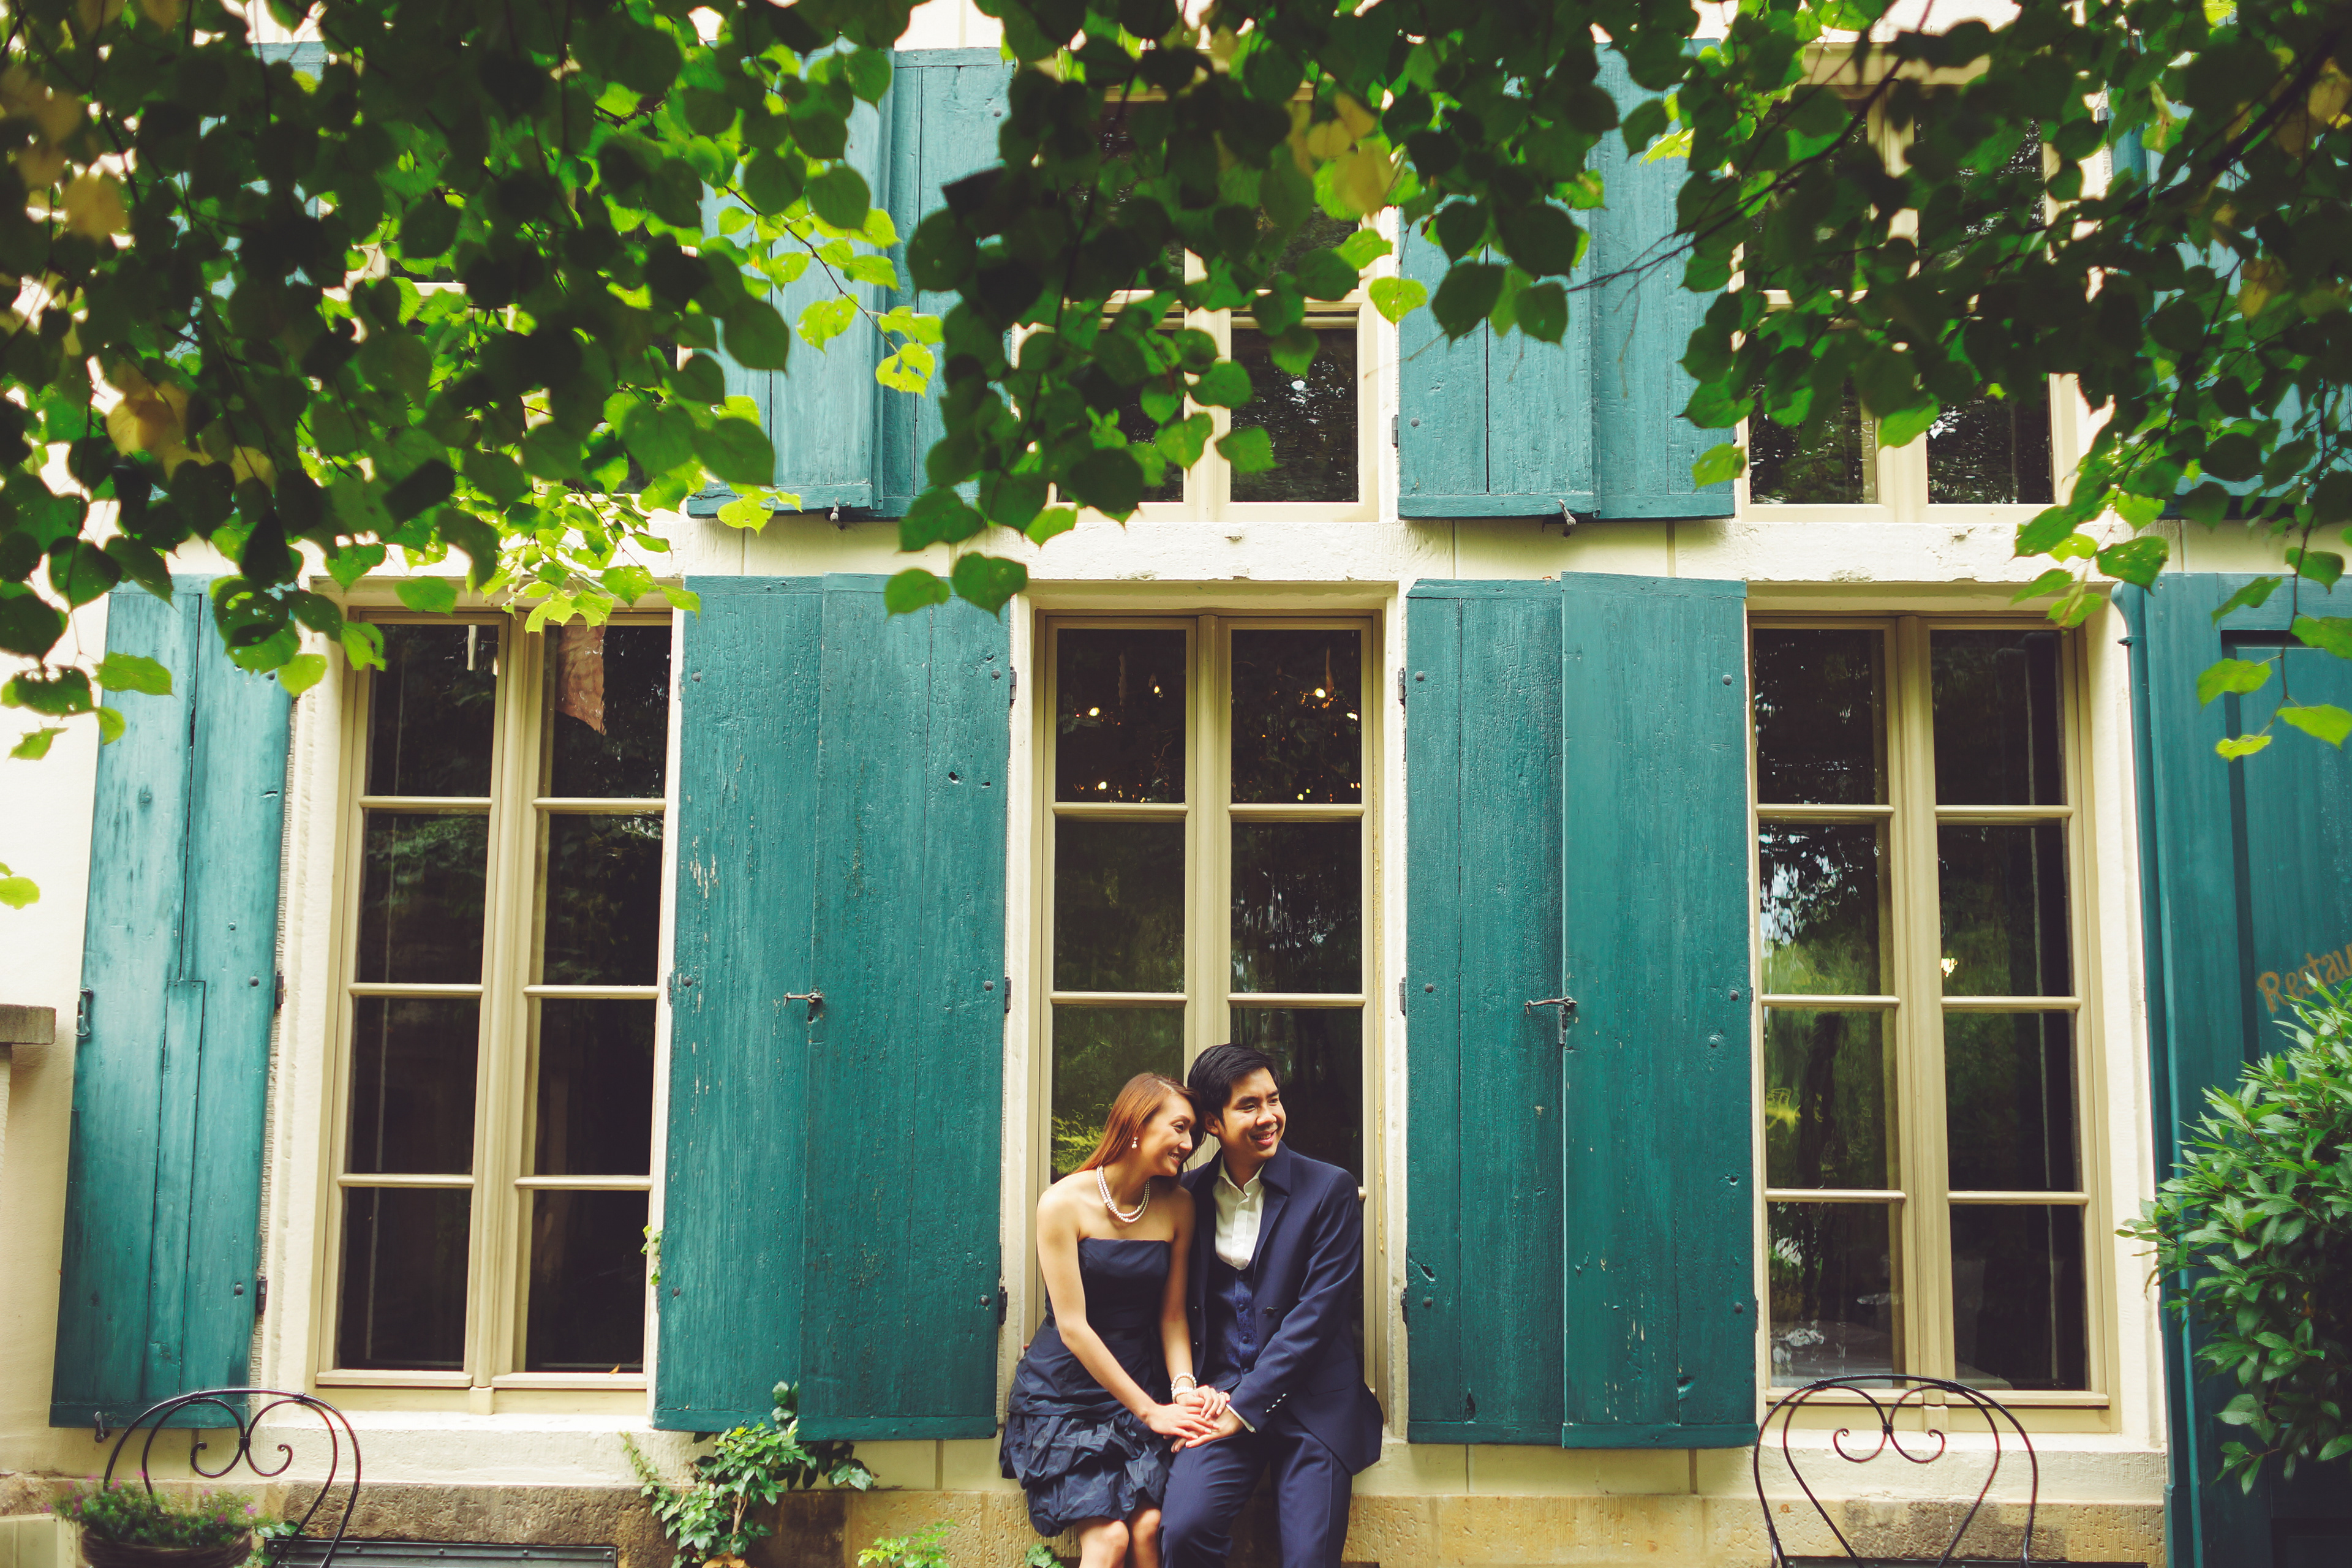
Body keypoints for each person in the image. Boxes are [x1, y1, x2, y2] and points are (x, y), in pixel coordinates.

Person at [1160, 1044, 1385, 1568]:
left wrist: (1245, 1408)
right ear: (1212, 1122)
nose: (1269, 1117)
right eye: (1249, 1106)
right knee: (1184, 1531)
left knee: (1309, 1560)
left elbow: (1316, 1317)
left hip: (1313, 1406)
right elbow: (1160, 1302)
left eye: (1274, 1100)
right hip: (1217, 1398)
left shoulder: (1328, 1189)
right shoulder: (1187, 1194)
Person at [1001, 1074, 1229, 1568]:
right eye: (1180, 1127)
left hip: (1141, 1386)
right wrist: (1151, 1412)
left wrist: (1183, 1391)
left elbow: (1172, 1316)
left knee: (1148, 1530)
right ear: (1137, 1124)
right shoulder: (1061, 1203)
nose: (1189, 1144)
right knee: (1110, 1541)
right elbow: (1073, 1328)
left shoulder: (1179, 1206)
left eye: (1193, 1134)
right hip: (1064, 1398)